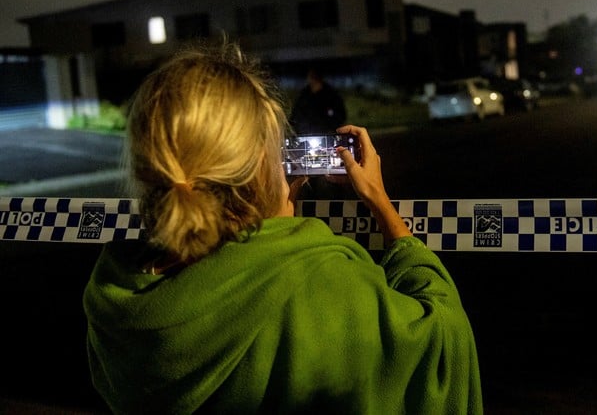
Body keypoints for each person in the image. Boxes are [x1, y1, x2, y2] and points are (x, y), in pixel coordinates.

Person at [82, 43, 483, 414]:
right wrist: (380, 203)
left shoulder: (118, 303)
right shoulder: (319, 283)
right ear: (260, 163)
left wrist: (273, 210)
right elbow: (441, 342)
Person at [290, 68, 347, 134]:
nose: (310, 80)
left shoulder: (331, 96)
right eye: (310, 77)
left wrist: (332, 130)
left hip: (326, 134)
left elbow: (340, 115)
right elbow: (296, 114)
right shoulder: (304, 95)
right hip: (306, 134)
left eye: (313, 77)